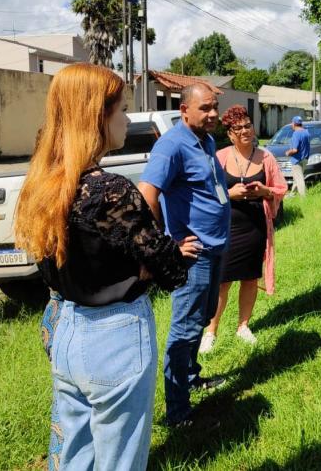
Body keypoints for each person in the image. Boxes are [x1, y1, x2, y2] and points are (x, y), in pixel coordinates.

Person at [14, 63, 196, 470]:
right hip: (115, 337)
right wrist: (154, 263)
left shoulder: (44, 183)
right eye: (122, 109)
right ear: (97, 115)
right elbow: (171, 270)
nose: (127, 119)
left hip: (64, 327)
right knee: (120, 459)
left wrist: (142, 263)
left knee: (73, 452)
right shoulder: (110, 190)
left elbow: (56, 260)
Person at [137, 83, 231, 428]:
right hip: (194, 255)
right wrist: (166, 245)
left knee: (203, 318)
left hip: (215, 248)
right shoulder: (171, 145)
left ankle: (191, 379)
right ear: (184, 110)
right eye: (205, 108)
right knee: (185, 330)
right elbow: (147, 194)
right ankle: (177, 413)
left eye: (214, 107)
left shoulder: (205, 141)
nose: (213, 115)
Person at [200, 105, 287, 352]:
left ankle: (243, 326)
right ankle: (211, 331)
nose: (245, 131)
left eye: (247, 125)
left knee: (250, 277)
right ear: (230, 134)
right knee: (222, 281)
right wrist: (231, 194)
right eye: (238, 128)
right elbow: (207, 193)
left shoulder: (266, 157)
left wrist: (264, 191)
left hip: (255, 227)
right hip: (226, 229)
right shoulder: (220, 158)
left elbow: (280, 188)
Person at [285, 115, 311, 196]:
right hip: (305, 159)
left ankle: (303, 198)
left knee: (299, 179)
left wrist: (288, 152)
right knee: (296, 178)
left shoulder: (296, 134)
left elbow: (295, 150)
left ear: (294, 124)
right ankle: (292, 194)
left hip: (297, 160)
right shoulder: (306, 132)